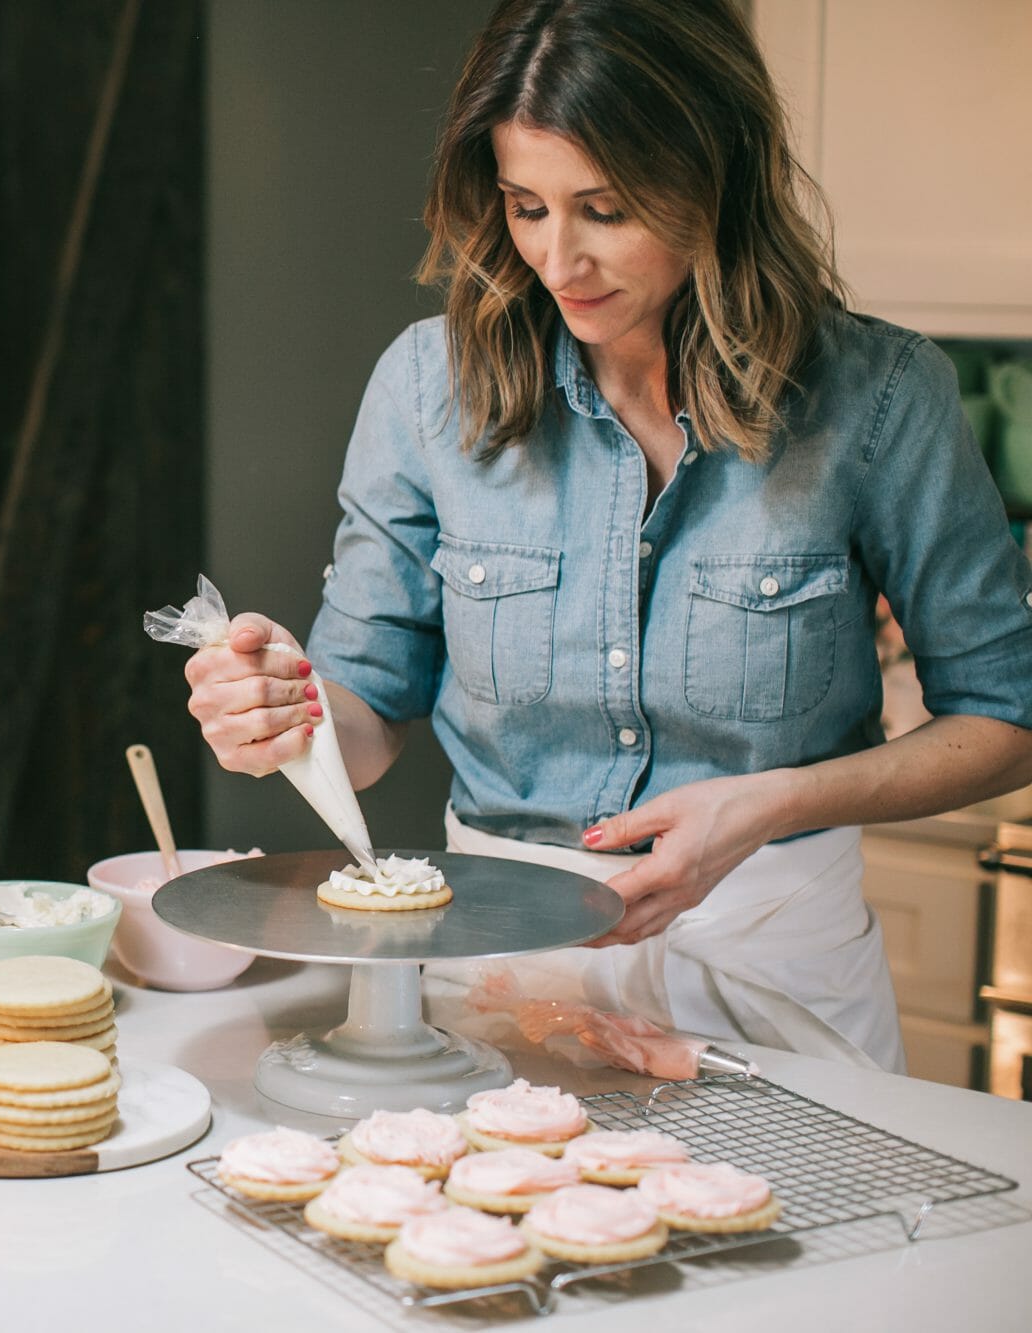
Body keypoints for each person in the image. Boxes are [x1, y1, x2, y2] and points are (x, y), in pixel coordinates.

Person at [185, 0, 1032, 1073]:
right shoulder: (425, 387)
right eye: (525, 206)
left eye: (605, 208)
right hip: (497, 977)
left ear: (711, 177)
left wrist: (767, 802)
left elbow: (1007, 716)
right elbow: (364, 712)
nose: (557, 257)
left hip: (770, 969)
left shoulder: (876, 397)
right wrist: (281, 712)